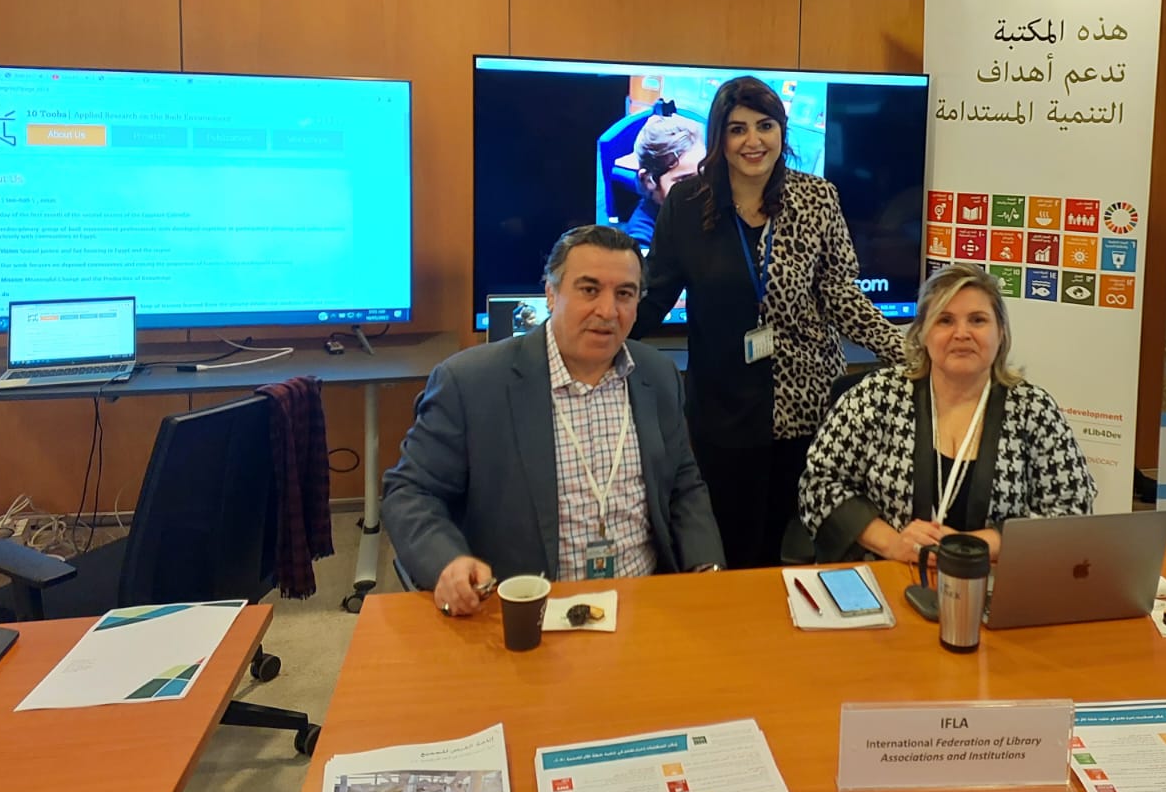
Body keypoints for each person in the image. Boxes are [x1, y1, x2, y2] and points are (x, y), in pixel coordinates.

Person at [634, 75, 906, 568]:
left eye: (765, 126)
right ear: (719, 138)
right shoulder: (688, 204)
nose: (753, 141)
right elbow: (655, 295)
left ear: (782, 131)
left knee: (797, 547)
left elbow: (841, 295)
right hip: (722, 408)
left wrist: (908, 352)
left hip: (808, 403)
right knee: (734, 548)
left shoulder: (817, 198)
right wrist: (597, 328)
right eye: (737, 129)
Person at [384, 225, 725, 616]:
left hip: (643, 603)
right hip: (528, 607)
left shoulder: (659, 376)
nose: (607, 311)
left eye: (625, 294)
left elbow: (684, 484)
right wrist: (447, 562)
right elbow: (410, 492)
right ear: (551, 292)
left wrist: (706, 567)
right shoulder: (471, 382)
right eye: (589, 289)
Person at [798, 264, 1097, 562]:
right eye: (945, 320)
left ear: (1001, 333)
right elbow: (819, 485)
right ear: (923, 333)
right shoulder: (876, 395)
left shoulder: (1034, 410)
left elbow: (1072, 511)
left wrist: (975, 546)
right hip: (890, 575)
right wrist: (893, 544)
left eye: (978, 320)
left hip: (997, 585)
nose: (962, 333)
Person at [624, 112, 705, 249]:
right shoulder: (641, 240)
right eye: (684, 180)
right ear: (648, 180)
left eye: (704, 175)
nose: (701, 188)